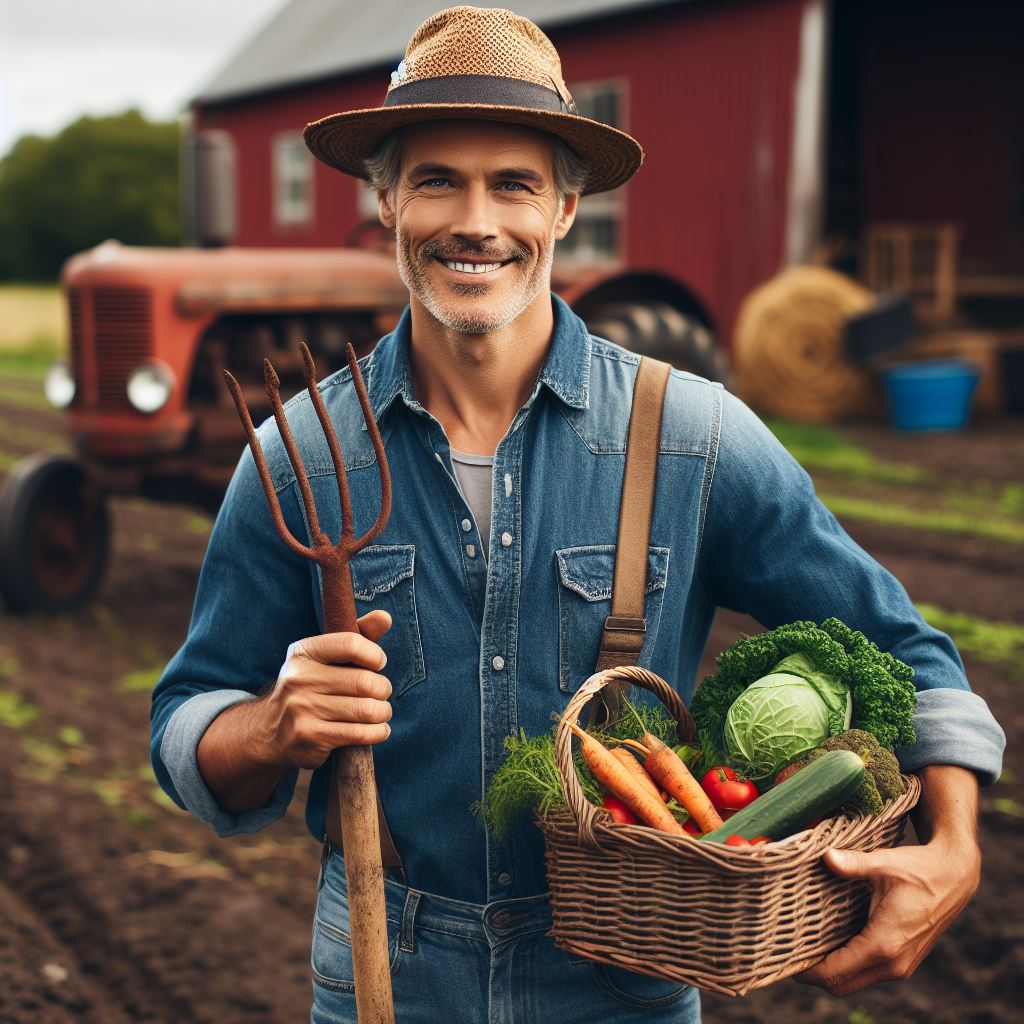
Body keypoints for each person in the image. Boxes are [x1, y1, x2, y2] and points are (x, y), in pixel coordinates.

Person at [151, 7, 1005, 1023]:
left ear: (562, 208)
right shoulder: (301, 457)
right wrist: (267, 727)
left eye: (512, 182)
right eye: (436, 179)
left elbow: (904, 650)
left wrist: (953, 848)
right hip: (387, 958)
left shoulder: (690, 436)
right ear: (384, 202)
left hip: (623, 974)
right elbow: (186, 720)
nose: (476, 219)